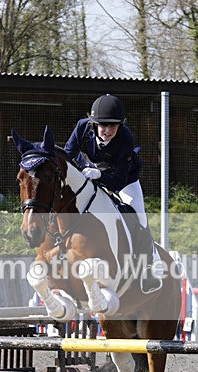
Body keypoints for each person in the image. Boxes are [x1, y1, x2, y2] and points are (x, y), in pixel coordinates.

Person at [64, 94, 162, 293]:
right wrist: (85, 166)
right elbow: (68, 153)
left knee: (139, 218)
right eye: (103, 125)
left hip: (125, 180)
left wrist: (98, 174)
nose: (108, 131)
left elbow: (117, 182)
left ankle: (149, 266)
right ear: (94, 124)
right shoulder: (82, 127)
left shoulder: (125, 137)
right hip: (92, 173)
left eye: (113, 126)